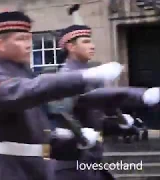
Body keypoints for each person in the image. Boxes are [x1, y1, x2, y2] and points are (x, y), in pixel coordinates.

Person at [0, 10, 125, 180]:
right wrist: (84, 76)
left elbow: (32, 125)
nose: (29, 44)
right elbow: (28, 90)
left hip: (34, 166)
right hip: (7, 170)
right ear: (0, 44)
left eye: (29, 38)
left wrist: (67, 137)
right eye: (21, 39)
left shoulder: (21, 74)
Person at [49, 4, 160, 180]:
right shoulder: (67, 77)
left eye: (91, 41)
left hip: (91, 162)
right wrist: (141, 95)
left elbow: (95, 121)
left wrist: (121, 126)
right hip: (71, 167)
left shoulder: (91, 76)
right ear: (70, 47)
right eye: (85, 42)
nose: (92, 46)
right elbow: (90, 98)